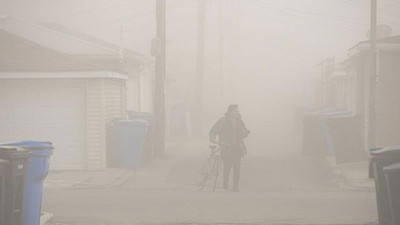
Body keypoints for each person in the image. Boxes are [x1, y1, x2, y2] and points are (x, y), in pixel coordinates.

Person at [209, 104, 250, 192]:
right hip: (226, 148)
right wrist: (212, 138)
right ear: (230, 112)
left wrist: (245, 133)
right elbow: (213, 130)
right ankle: (225, 184)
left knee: (237, 168)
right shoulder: (222, 121)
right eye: (236, 111)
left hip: (237, 149)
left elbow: (244, 131)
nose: (238, 112)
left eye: (238, 111)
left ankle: (235, 187)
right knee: (227, 168)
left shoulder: (240, 122)